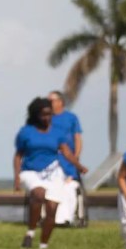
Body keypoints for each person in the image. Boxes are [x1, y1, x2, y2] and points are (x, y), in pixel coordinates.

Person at [14, 97, 85, 249]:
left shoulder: (57, 132)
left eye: (49, 114)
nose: (47, 118)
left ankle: (43, 245)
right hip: (31, 171)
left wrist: (78, 166)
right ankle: (31, 232)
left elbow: (66, 152)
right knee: (38, 194)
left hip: (53, 172)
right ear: (36, 115)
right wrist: (16, 177)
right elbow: (18, 155)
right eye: (43, 115)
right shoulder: (26, 132)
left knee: (52, 208)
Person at [49, 90, 85, 225]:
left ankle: (65, 219)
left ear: (60, 102)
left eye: (51, 101)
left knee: (69, 188)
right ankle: (54, 219)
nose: (48, 104)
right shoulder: (45, 119)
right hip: (51, 164)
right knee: (53, 188)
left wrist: (75, 158)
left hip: (69, 163)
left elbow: (77, 139)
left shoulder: (71, 118)